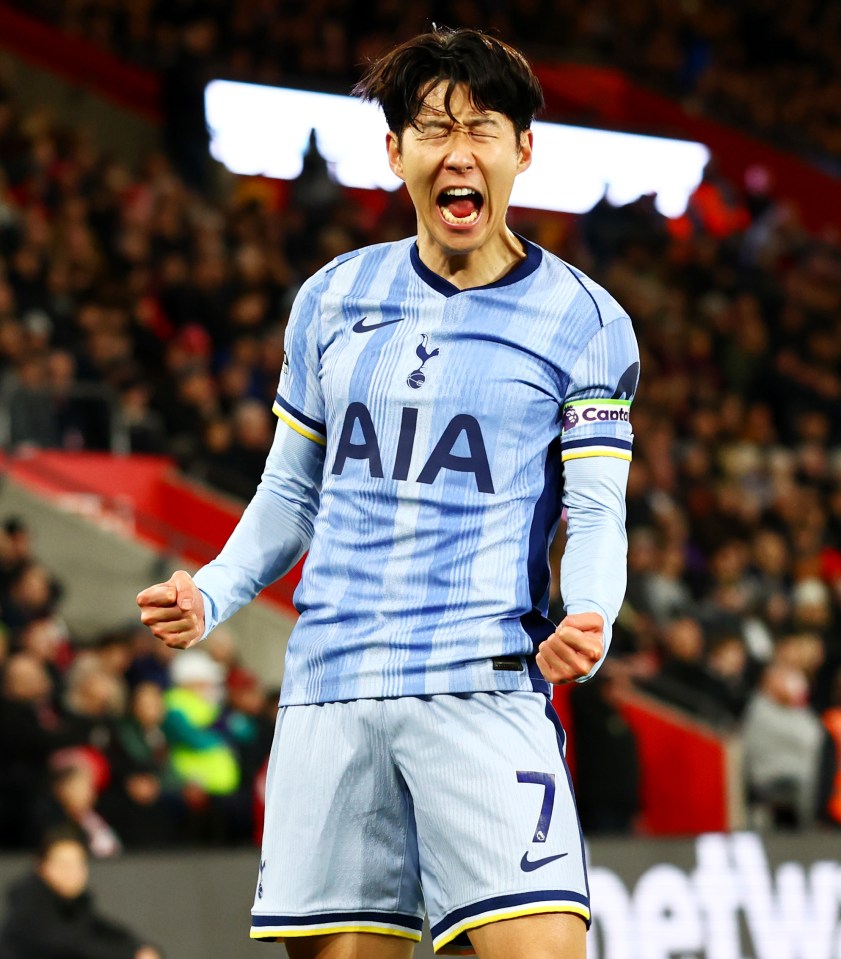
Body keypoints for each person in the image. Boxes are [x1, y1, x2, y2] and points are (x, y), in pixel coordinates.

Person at [137, 27, 638, 959]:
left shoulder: (586, 321)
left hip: (480, 684)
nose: (458, 152)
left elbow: (598, 508)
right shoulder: (330, 299)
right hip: (333, 688)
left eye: (482, 129)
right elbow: (290, 493)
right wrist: (210, 591)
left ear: (522, 150)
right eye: (431, 128)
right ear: (393, 151)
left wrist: (592, 611)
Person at [0, 825, 161, 959]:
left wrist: (139, 948)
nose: (72, 873)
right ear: (43, 866)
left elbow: (105, 929)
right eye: (64, 864)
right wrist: (129, 955)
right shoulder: (29, 903)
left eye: (78, 864)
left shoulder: (76, 904)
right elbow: (66, 946)